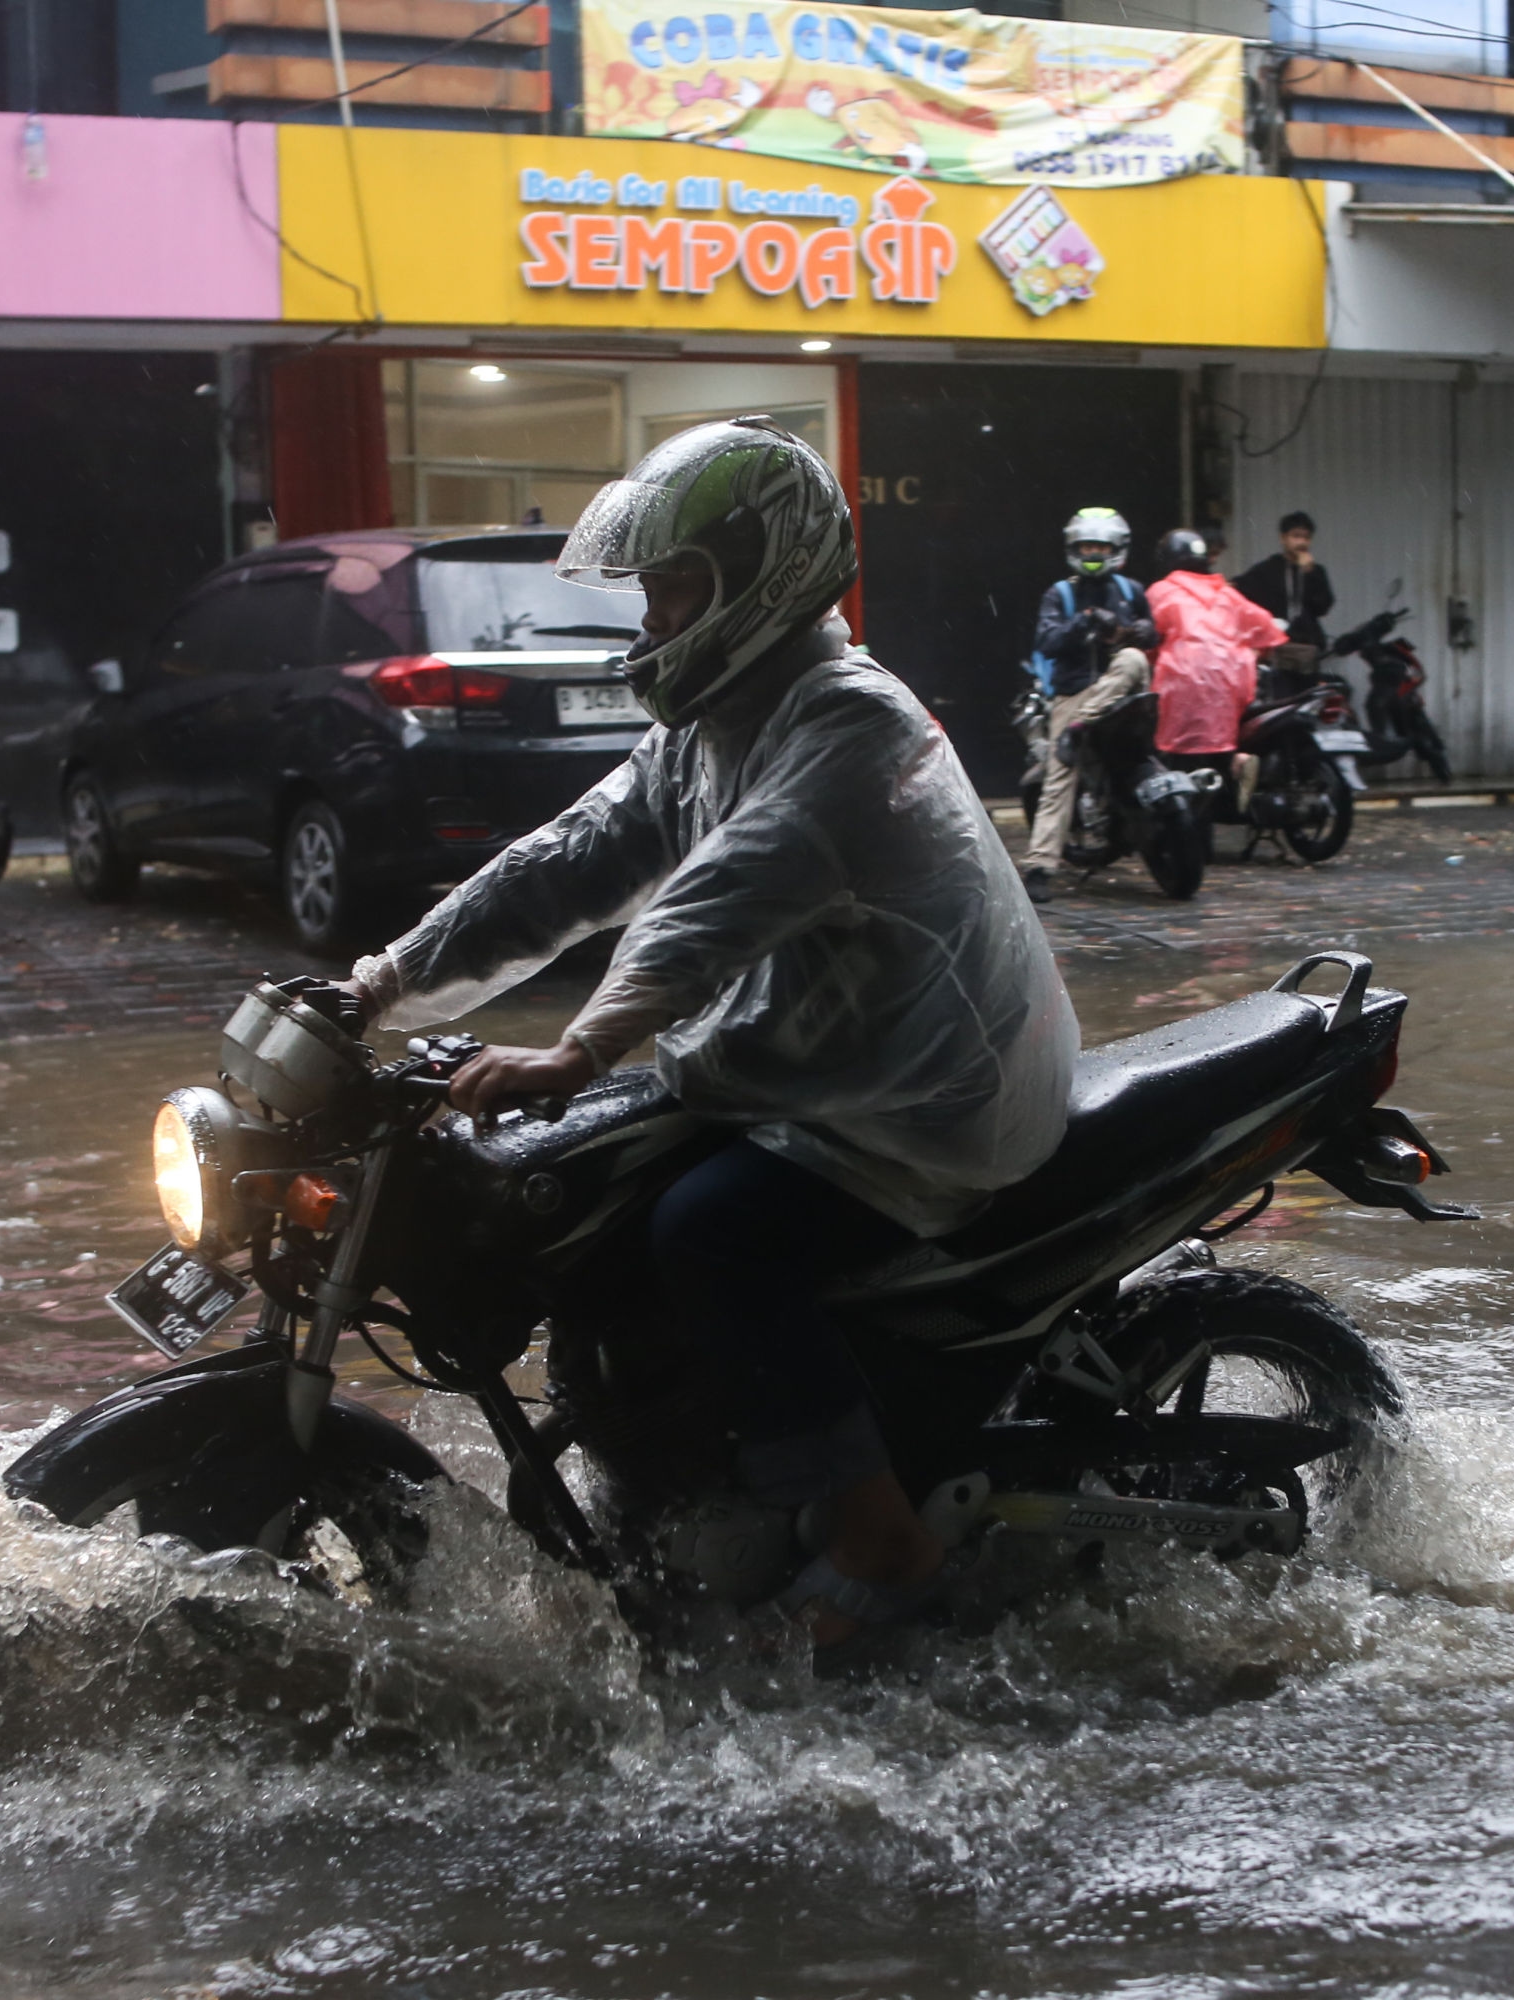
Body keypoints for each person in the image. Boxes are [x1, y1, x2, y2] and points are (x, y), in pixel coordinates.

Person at [335, 418, 1077, 1647]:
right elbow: (570, 860)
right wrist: (380, 982)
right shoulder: (713, 723)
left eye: (673, 587)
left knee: (711, 1230)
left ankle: (876, 1537)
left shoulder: (847, 723)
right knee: (587, 1199)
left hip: (928, 1105)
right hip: (817, 1067)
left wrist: (578, 1049)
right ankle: (673, 1469)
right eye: (652, 589)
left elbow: (714, 900)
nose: (652, 619)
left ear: (760, 580)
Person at [1020, 506, 1157, 904]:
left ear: (1117, 549)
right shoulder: (1059, 594)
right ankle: (1040, 866)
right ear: (1073, 549)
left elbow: (1151, 636)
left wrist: (1143, 629)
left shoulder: (1132, 591)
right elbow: (1047, 641)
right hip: (1076, 691)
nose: (1094, 553)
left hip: (1121, 692)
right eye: (1086, 546)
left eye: (1101, 546)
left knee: (1134, 659)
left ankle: (1081, 729)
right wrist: (1086, 621)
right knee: (1059, 777)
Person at [1146, 527, 1288, 814]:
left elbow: (1147, 639)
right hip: (1232, 680)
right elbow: (1270, 632)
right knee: (1219, 738)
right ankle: (1237, 763)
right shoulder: (1226, 592)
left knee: (1175, 748)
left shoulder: (1160, 591)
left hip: (1182, 678)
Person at [1234, 510, 1337, 659]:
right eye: (1296, 536)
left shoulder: (1316, 571)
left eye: (1306, 537)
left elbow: (1323, 607)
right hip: (1275, 644)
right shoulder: (1268, 569)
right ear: (1283, 538)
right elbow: (1239, 590)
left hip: (1307, 643)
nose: (1301, 542)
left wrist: (1310, 573)